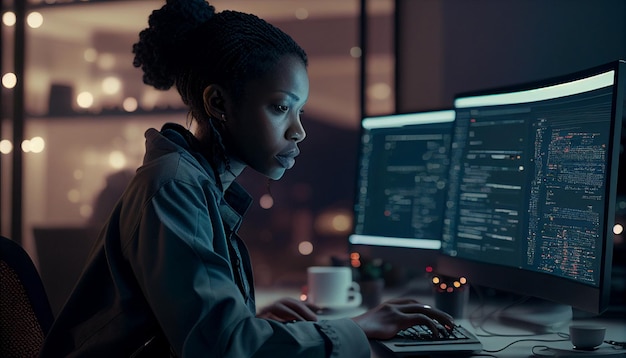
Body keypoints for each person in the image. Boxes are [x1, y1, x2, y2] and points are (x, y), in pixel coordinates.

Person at [40, 0, 454, 356]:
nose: (299, 131)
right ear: (218, 102)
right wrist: (359, 327)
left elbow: (205, 332)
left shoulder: (193, 183)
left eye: (300, 111)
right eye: (280, 108)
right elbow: (223, 348)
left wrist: (253, 324)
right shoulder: (173, 187)